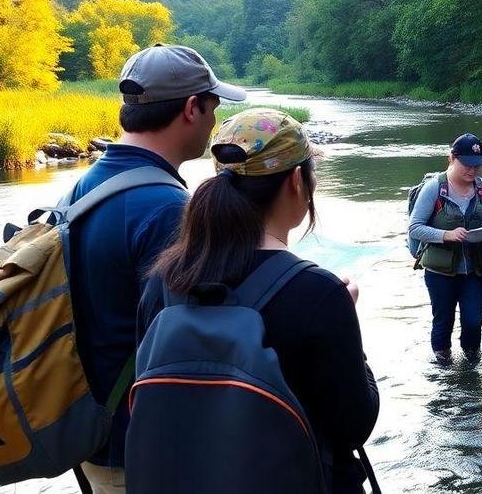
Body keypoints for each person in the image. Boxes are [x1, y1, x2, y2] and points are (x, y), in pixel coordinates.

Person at [137, 108, 380, 493]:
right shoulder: (319, 294)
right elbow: (353, 426)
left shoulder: (164, 282)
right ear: (298, 181)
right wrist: (350, 327)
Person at [66, 44, 245, 492]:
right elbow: (192, 344)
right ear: (191, 109)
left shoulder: (86, 185)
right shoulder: (166, 208)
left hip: (94, 434)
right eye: (214, 106)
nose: (215, 119)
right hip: (143, 451)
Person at [408, 133, 482, 363]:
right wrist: (446, 235)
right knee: (443, 320)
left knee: (474, 321)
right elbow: (415, 227)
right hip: (440, 272)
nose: (473, 171)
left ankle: (471, 367)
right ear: (452, 158)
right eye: (467, 164)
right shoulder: (434, 188)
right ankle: (443, 368)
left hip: (474, 269)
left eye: (477, 165)